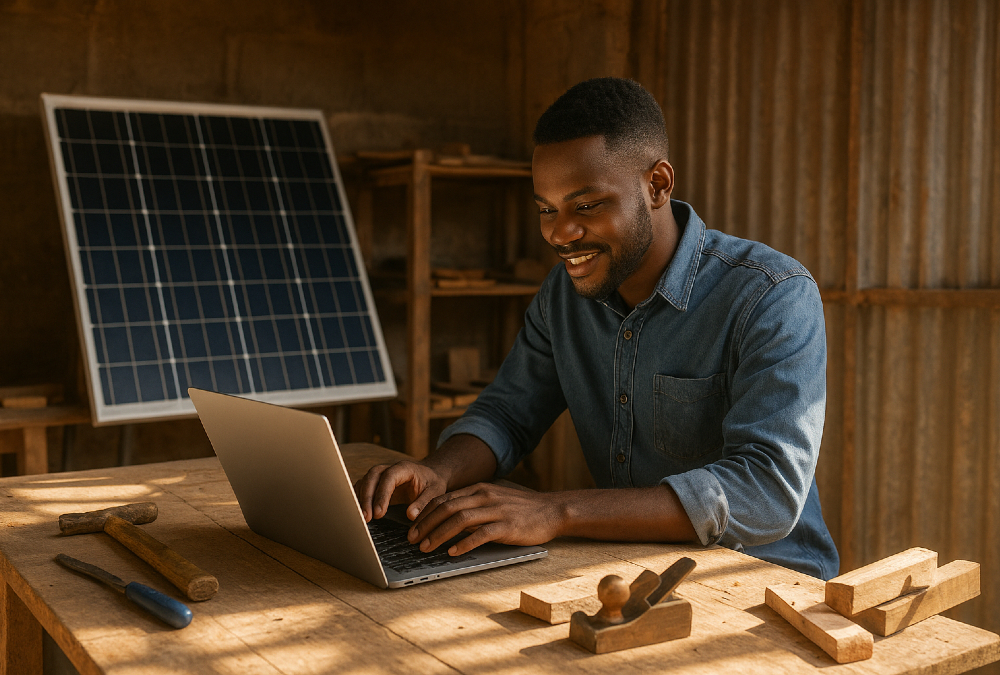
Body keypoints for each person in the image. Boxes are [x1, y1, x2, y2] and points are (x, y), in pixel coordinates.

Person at [355, 77, 840, 580]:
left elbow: (766, 490)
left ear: (657, 185)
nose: (559, 233)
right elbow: (506, 414)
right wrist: (438, 472)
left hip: (766, 581)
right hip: (633, 569)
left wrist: (557, 511)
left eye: (586, 206)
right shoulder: (562, 295)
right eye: (547, 209)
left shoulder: (772, 294)